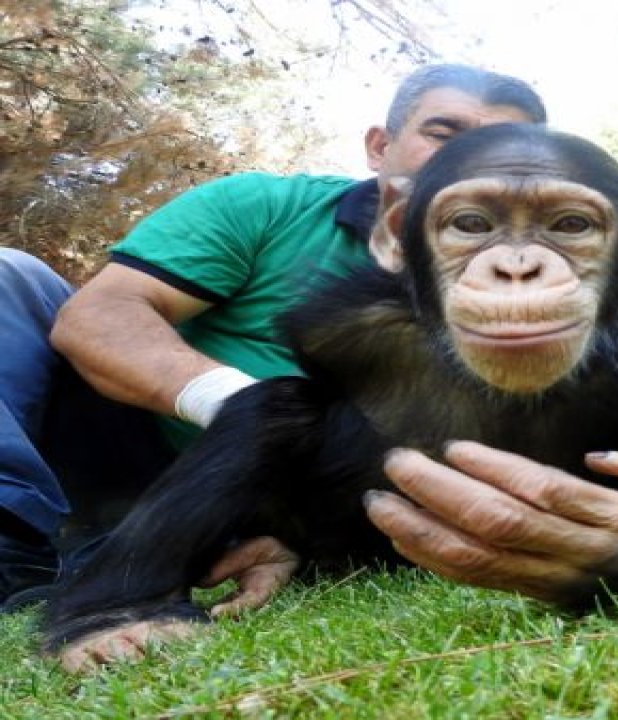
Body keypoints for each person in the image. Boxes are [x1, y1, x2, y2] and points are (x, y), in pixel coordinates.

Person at [2, 64, 548, 608]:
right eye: (442, 134)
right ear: (380, 146)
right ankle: (13, 541)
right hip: (120, 442)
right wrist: (245, 410)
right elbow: (100, 317)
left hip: (278, 506)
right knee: (11, 276)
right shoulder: (266, 207)